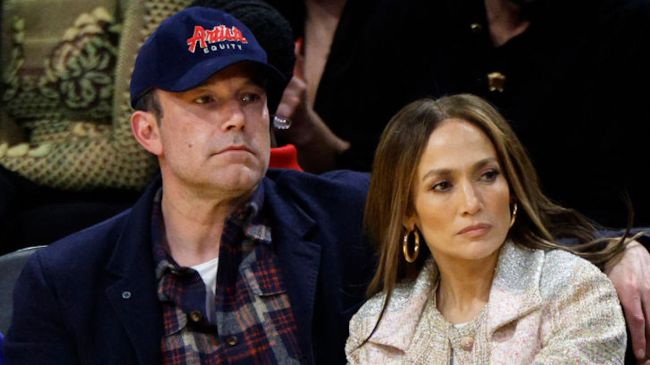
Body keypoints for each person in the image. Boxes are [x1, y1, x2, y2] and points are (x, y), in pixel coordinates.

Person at [3, 7, 374, 364]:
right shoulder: (66, 283)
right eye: (205, 99)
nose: (235, 119)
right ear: (148, 132)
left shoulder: (351, 214)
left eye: (250, 98)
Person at [346, 94, 634, 363]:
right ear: (408, 212)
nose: (471, 203)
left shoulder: (574, 290)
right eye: (442, 185)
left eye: (488, 175)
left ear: (511, 187)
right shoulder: (375, 330)